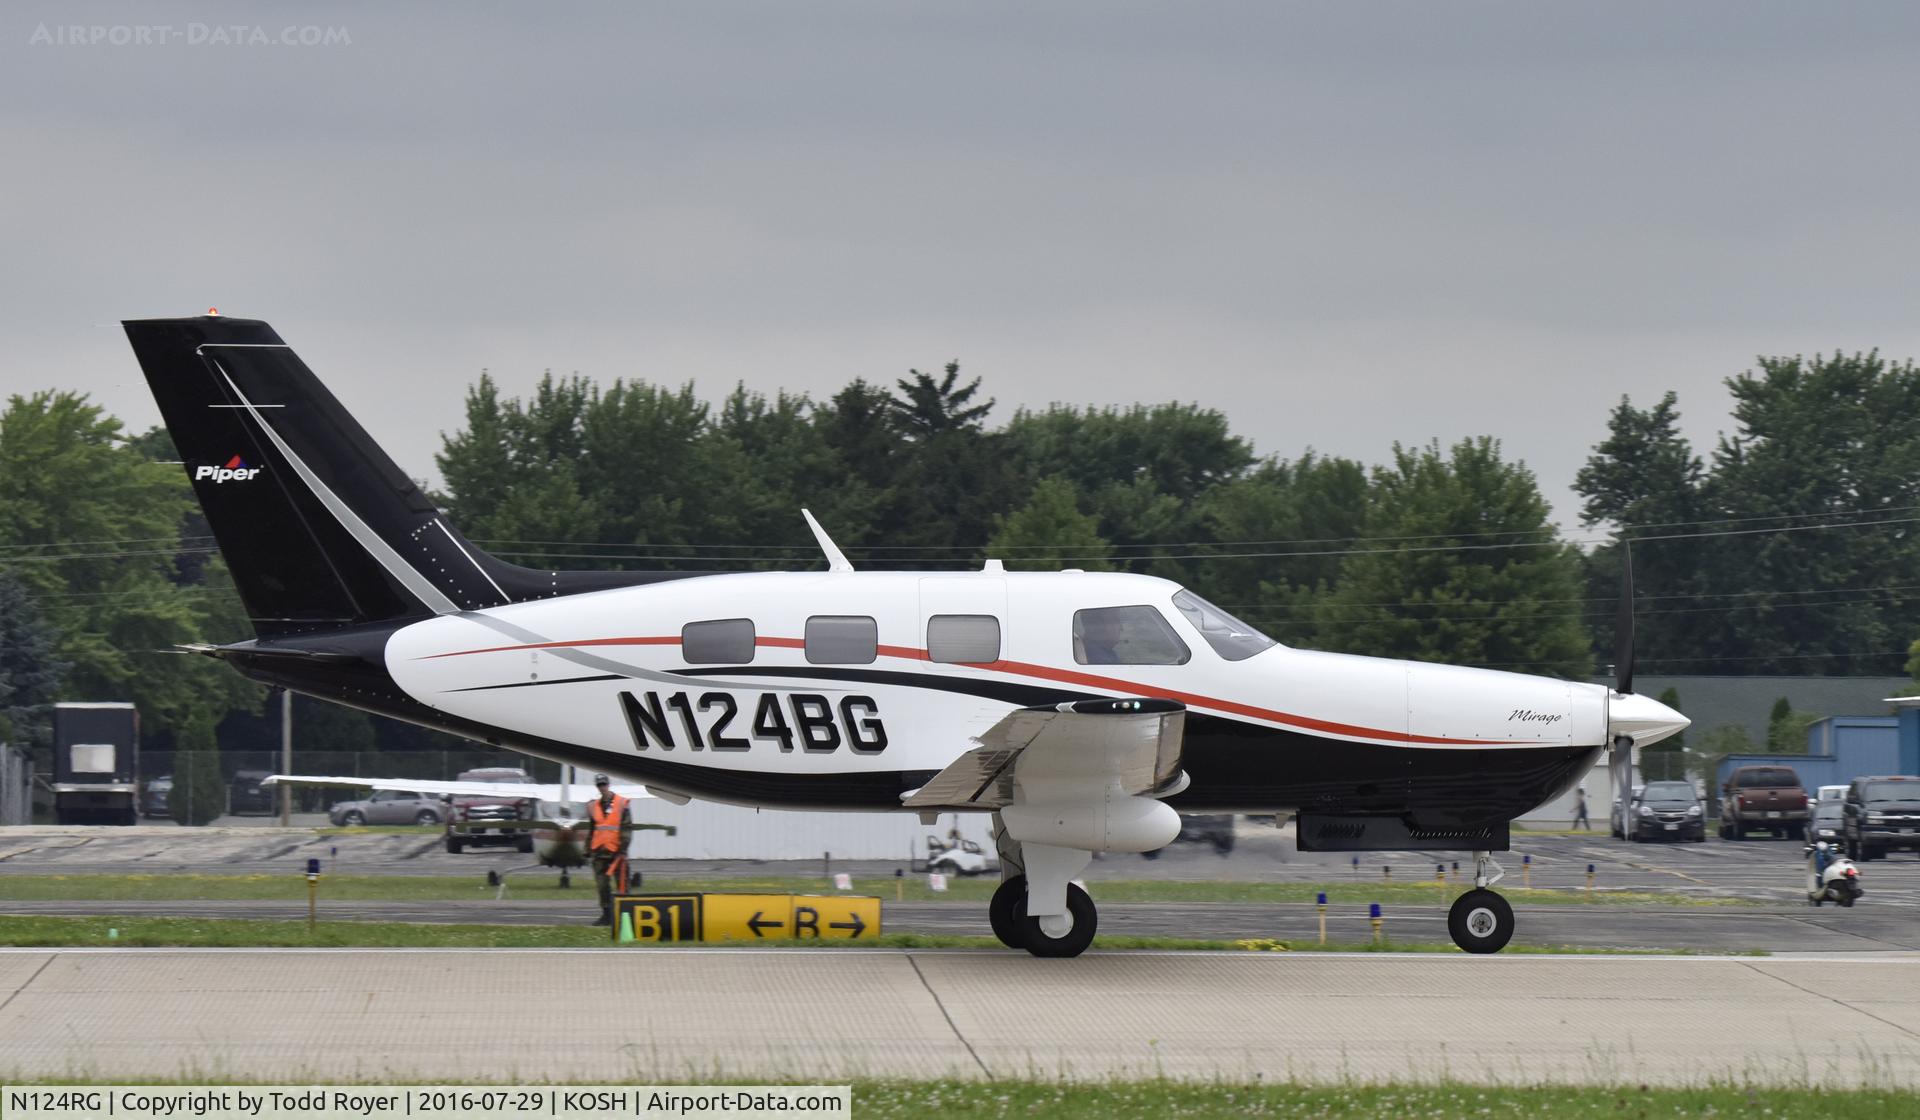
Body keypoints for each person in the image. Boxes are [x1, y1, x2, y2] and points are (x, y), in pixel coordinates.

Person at [586, 773, 633, 926]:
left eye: (604, 784)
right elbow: (592, 830)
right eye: (599, 785)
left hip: (617, 852)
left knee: (623, 886)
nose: (602, 787)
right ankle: (606, 915)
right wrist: (587, 850)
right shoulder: (594, 806)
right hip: (599, 852)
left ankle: (626, 917)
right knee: (602, 886)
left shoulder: (621, 804)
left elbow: (626, 829)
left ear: (608, 785)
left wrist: (623, 849)